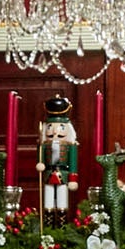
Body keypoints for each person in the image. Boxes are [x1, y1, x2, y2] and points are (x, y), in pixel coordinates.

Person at [38, 92, 79, 221]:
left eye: (61, 127)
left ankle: (62, 225)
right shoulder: (44, 145)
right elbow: (40, 157)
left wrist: (73, 179)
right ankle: (48, 224)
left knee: (62, 201)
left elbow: (73, 162)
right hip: (48, 174)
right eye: (50, 127)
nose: (55, 131)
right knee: (48, 201)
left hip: (64, 174)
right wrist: (40, 163)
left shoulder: (70, 146)